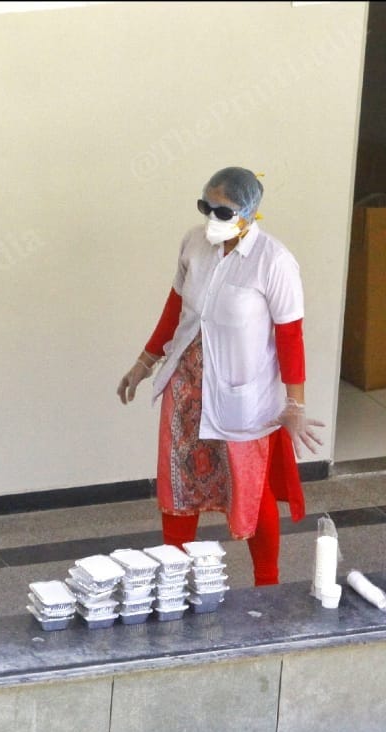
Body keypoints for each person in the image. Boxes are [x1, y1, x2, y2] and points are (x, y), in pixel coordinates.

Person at [116, 166, 324, 586]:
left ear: (250, 213)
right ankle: (172, 582)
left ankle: (267, 580)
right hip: (188, 386)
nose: (212, 217)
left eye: (223, 212)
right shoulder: (194, 243)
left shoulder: (275, 262)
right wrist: (144, 362)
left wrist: (295, 403)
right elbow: (175, 309)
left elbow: (290, 336)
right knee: (180, 483)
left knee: (250, 488)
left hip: (241, 395)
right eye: (205, 206)